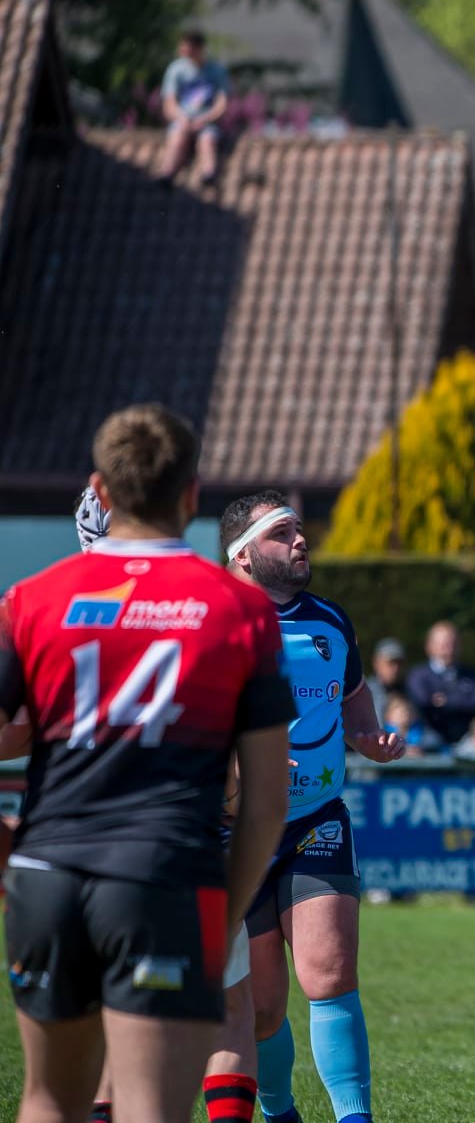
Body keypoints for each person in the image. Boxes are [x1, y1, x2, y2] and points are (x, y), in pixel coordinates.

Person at [2, 405, 291, 1123]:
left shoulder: (31, 601)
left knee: (46, 1101)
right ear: (193, 492)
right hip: (163, 878)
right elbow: (263, 798)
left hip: (47, 877)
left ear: (99, 490)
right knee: (149, 1111)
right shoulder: (238, 609)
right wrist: (225, 912)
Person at [72, 486, 267, 1123]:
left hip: (84, 847)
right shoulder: (207, 609)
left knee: (104, 1019)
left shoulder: (43, 606)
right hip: (189, 840)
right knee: (227, 1007)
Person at [220, 492, 407, 1123]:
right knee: (265, 1004)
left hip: (315, 821)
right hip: (235, 835)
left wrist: (370, 739)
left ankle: (355, 1118)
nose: (300, 541)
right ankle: (281, 1115)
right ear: (242, 555)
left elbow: (354, 706)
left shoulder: (330, 620)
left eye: (300, 530)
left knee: (329, 975)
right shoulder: (208, 620)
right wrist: (239, 762)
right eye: (282, 534)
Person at [156, 30, 230, 186]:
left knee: (207, 140)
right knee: (177, 138)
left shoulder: (216, 71)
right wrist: (182, 118)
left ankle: (208, 173)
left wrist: (204, 119)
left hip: (207, 120)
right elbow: (169, 103)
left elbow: (222, 104)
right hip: (182, 119)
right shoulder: (176, 70)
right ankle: (167, 172)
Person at [406, 620, 475, 745]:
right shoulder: (418, 675)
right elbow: (422, 702)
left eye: (453, 643)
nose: (449, 648)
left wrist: (448, 702)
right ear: (429, 646)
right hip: (427, 741)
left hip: (469, 742)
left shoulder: (474, 675)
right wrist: (462, 702)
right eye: (444, 644)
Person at [363, 639, 405, 720]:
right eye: (390, 663)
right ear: (376, 663)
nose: (396, 668)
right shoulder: (365, 693)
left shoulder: (409, 691)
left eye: (399, 663)